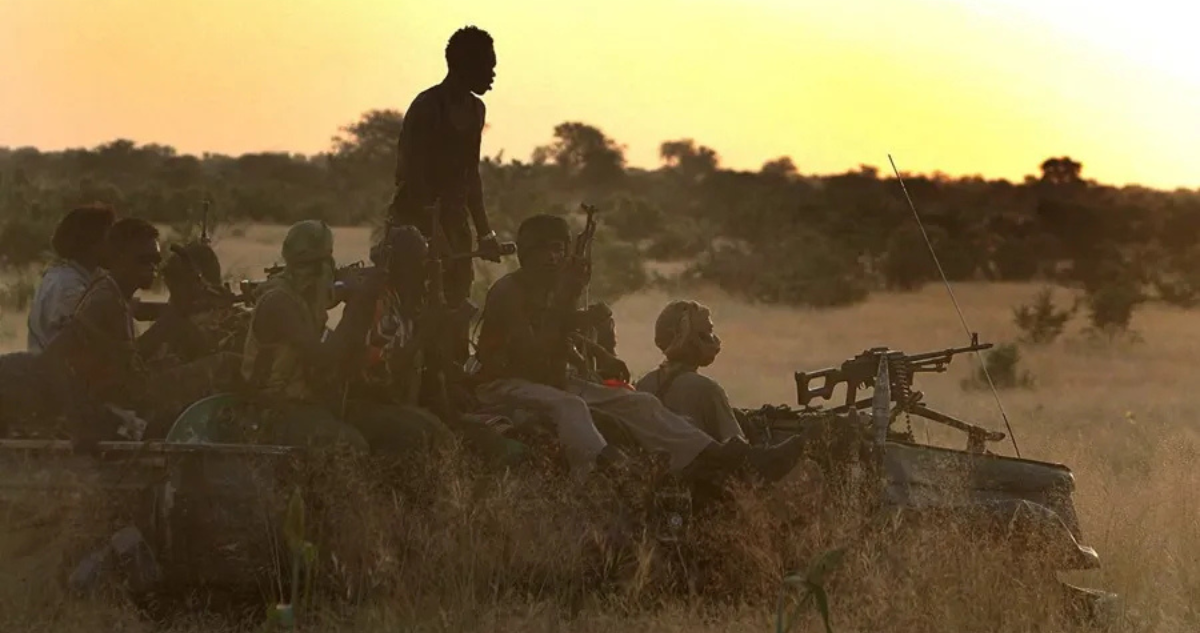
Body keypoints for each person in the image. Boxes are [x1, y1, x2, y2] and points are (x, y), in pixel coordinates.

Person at [472, 213, 807, 482]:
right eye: (544, 250)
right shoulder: (508, 292)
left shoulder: (548, 290)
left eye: (559, 249)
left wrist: (596, 346)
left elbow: (555, 338)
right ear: (526, 254)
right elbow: (532, 359)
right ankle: (607, 467)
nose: (553, 257)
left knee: (640, 401)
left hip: (550, 380)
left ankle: (719, 456)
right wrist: (566, 300)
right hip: (503, 385)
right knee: (571, 406)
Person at [389, 25, 504, 364]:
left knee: (456, 307)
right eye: (488, 66)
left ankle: (450, 377)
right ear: (465, 66)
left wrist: (484, 232)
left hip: (453, 225)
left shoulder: (475, 110)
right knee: (417, 309)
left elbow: (471, 175)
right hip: (414, 226)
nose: (494, 75)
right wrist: (433, 233)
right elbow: (412, 176)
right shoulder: (427, 107)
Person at [238, 220, 379, 450]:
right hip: (270, 410)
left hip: (298, 404)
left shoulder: (304, 294)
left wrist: (356, 288)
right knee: (351, 446)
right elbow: (322, 356)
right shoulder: (279, 301)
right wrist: (357, 302)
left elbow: (334, 293)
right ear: (322, 264)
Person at [635, 300, 746, 442]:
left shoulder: (643, 384)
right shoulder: (708, 390)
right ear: (692, 338)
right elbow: (738, 447)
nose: (715, 340)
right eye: (709, 332)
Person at [27, 204, 116, 354]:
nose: (116, 247)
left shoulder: (81, 275)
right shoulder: (67, 285)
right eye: (110, 239)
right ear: (91, 243)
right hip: (55, 374)